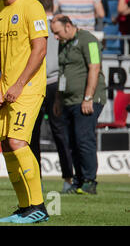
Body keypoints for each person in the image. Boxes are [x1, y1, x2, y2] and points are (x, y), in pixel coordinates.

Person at [0, 0, 49, 224]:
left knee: (17, 142)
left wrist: (19, 84)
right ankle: (25, 207)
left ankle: (39, 206)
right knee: (7, 146)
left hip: (29, 87)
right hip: (5, 90)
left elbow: (40, 49)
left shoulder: (32, 6)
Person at [52, 15, 107, 195]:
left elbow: (95, 67)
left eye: (57, 32)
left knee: (84, 139)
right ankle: (79, 180)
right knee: (72, 141)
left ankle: (90, 181)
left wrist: (88, 97)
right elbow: (62, 73)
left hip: (87, 100)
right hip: (68, 100)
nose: (55, 37)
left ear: (68, 26)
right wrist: (58, 99)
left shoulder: (89, 40)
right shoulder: (64, 43)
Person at [30, 0, 74, 193]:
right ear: (53, 7)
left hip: (37, 83)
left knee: (34, 134)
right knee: (59, 132)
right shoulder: (58, 27)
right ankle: (67, 178)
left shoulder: (35, 25)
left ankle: (35, 179)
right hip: (56, 83)